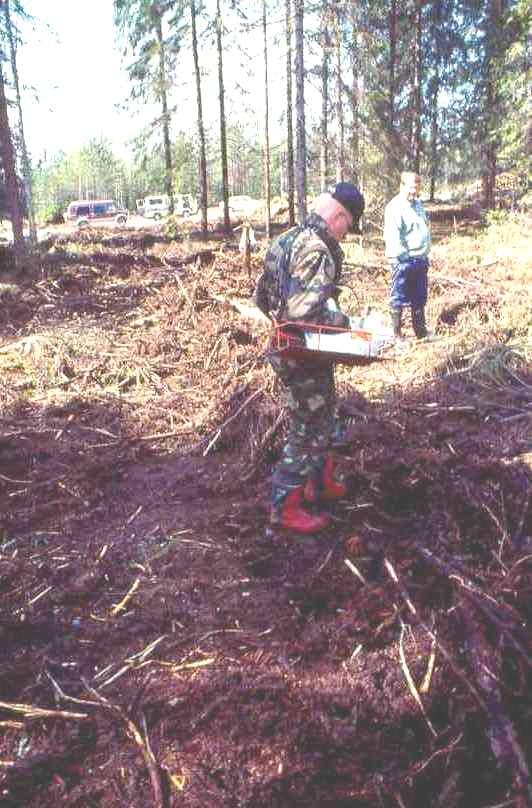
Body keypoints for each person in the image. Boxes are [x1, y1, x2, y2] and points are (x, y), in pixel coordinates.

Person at [255, 182, 365, 535]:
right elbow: (306, 315)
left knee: (325, 414)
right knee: (308, 426)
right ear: (337, 216)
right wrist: (351, 325)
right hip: (304, 353)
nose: (345, 234)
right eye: (348, 224)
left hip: (289, 348)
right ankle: (284, 507)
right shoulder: (317, 250)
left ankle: (320, 484)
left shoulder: (286, 240)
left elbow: (261, 298)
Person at [383, 171, 431, 340]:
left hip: (420, 260)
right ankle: (397, 335)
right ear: (402, 185)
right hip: (403, 262)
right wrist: (399, 261)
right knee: (398, 298)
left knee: (419, 297)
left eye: (417, 189)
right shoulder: (394, 207)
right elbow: (392, 237)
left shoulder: (418, 204)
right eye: (411, 188)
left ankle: (421, 332)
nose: (414, 192)